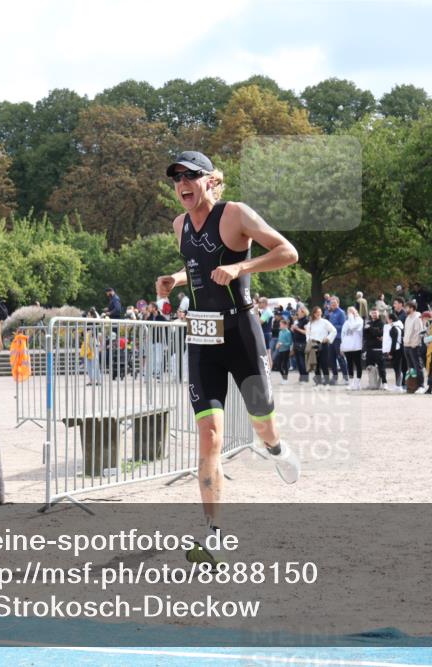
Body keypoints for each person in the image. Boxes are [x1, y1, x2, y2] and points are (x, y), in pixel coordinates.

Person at [154, 150, 300, 556]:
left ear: (209, 181)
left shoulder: (236, 214)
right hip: (202, 336)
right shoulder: (179, 224)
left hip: (241, 331)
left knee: (262, 424)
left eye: (191, 176)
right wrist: (175, 279)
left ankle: (277, 449)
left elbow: (288, 252)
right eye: (176, 178)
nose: (182, 184)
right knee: (209, 435)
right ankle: (213, 533)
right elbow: (198, 265)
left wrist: (241, 268)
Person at [307, 306, 337, 387]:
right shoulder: (310, 324)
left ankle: (327, 382)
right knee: (315, 364)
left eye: (320, 312)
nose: (319, 314)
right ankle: (318, 382)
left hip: (323, 345)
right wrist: (309, 343)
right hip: (313, 345)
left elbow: (334, 331)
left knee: (324, 364)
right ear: (314, 313)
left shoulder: (325, 322)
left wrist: (327, 338)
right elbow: (307, 335)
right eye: (317, 313)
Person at [326, 297, 348, 385]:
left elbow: (343, 326)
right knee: (331, 358)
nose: (333, 305)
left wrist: (332, 326)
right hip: (331, 339)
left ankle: (346, 378)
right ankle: (334, 378)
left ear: (338, 303)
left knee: (340, 358)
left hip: (338, 338)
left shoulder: (341, 313)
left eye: (334, 304)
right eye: (331, 304)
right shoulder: (331, 313)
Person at [340, 306, 364, 390]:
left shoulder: (360, 320)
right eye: (349, 312)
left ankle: (358, 383)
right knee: (349, 365)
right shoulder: (346, 322)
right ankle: (351, 382)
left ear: (356, 312)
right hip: (347, 347)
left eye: (352, 312)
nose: (350, 314)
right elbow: (343, 334)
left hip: (356, 346)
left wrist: (351, 317)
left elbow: (352, 327)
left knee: (358, 364)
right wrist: (342, 346)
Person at [363, 308, 388, 389]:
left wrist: (371, 329)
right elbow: (366, 336)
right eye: (372, 313)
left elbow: (380, 333)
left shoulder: (381, 323)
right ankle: (372, 384)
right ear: (370, 314)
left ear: (378, 314)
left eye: (375, 313)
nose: (374, 314)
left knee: (381, 367)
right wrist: (375, 332)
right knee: (370, 367)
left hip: (378, 349)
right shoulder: (368, 323)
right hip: (369, 349)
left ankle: (384, 383)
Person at [402, 300, 424, 387]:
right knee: (410, 369)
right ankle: (412, 386)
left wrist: (414, 344)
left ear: (412, 308)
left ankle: (421, 385)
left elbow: (419, 333)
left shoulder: (417, 317)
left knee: (417, 367)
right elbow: (406, 331)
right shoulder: (407, 318)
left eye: (406, 307)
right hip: (406, 346)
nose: (405, 308)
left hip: (414, 346)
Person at [383, 310, 405, 391]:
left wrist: (391, 353)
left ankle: (398, 385)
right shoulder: (399, 327)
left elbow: (394, 342)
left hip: (396, 350)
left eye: (387, 318)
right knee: (398, 368)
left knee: (397, 368)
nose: (386, 320)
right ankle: (398, 384)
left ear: (391, 320)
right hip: (399, 349)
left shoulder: (393, 329)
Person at [290, 306, 310, 382]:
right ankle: (301, 376)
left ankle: (305, 377)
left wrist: (296, 328)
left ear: (303, 312)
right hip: (296, 342)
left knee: (302, 361)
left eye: (298, 311)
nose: (297, 312)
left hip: (302, 342)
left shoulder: (306, 320)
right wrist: (293, 329)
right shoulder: (299, 320)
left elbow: (306, 332)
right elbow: (297, 331)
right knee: (298, 361)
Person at [273, 318, 293, 384]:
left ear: (285, 325)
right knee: (278, 365)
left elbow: (289, 343)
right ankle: (284, 378)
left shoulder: (288, 332)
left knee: (285, 365)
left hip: (286, 351)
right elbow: (279, 340)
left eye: (281, 325)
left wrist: (282, 344)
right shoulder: (280, 332)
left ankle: (286, 379)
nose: (280, 326)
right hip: (280, 350)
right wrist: (277, 344)